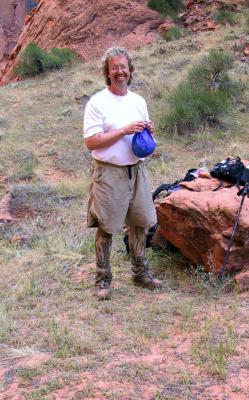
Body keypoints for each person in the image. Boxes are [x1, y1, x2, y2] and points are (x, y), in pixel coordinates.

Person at [83, 46, 162, 300]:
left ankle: (140, 274)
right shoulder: (98, 102)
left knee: (139, 222)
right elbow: (91, 142)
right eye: (114, 67)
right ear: (107, 72)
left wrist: (148, 129)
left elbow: (145, 135)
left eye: (123, 67)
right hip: (109, 173)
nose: (120, 72)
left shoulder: (138, 101)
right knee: (107, 227)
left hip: (136, 170)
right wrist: (123, 131)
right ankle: (103, 280)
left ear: (130, 70)